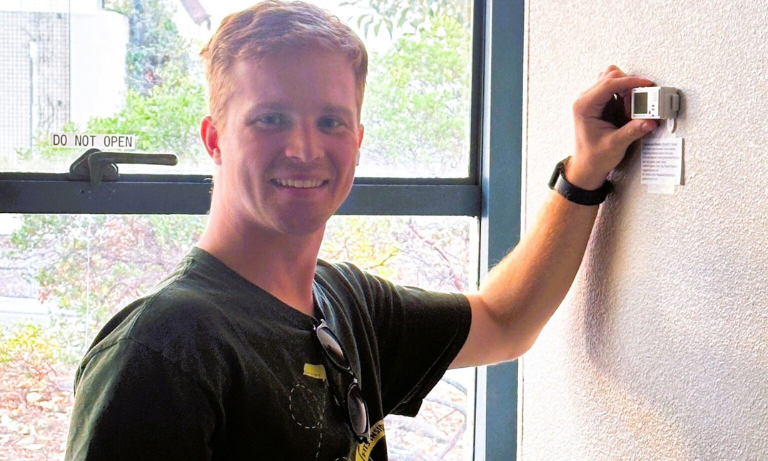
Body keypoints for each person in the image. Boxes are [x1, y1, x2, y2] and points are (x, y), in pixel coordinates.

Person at [63, 1, 659, 460]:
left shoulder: (347, 303)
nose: (303, 148)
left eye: (330, 121)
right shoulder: (163, 352)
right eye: (270, 119)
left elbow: (506, 321)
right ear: (214, 138)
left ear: (357, 141)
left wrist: (583, 175)